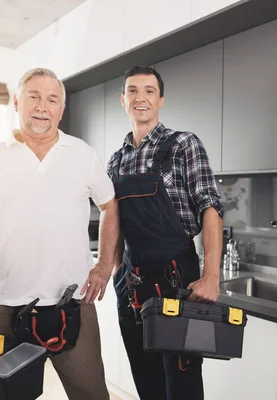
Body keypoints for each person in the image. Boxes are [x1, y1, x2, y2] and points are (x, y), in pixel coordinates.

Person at [0, 67, 118, 400]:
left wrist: (104, 265)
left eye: (52, 99)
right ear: (16, 102)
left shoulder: (83, 155)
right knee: (2, 396)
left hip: (73, 305)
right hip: (2, 309)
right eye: (34, 96)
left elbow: (110, 207)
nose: (44, 106)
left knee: (92, 396)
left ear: (61, 109)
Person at [106, 65, 224, 400]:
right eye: (132, 91)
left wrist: (211, 276)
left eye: (148, 91)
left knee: (182, 380)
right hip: (132, 281)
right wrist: (116, 271)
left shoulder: (183, 144)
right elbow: (113, 219)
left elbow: (211, 208)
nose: (140, 98)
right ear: (123, 99)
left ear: (160, 100)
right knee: (146, 380)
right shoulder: (116, 160)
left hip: (178, 278)